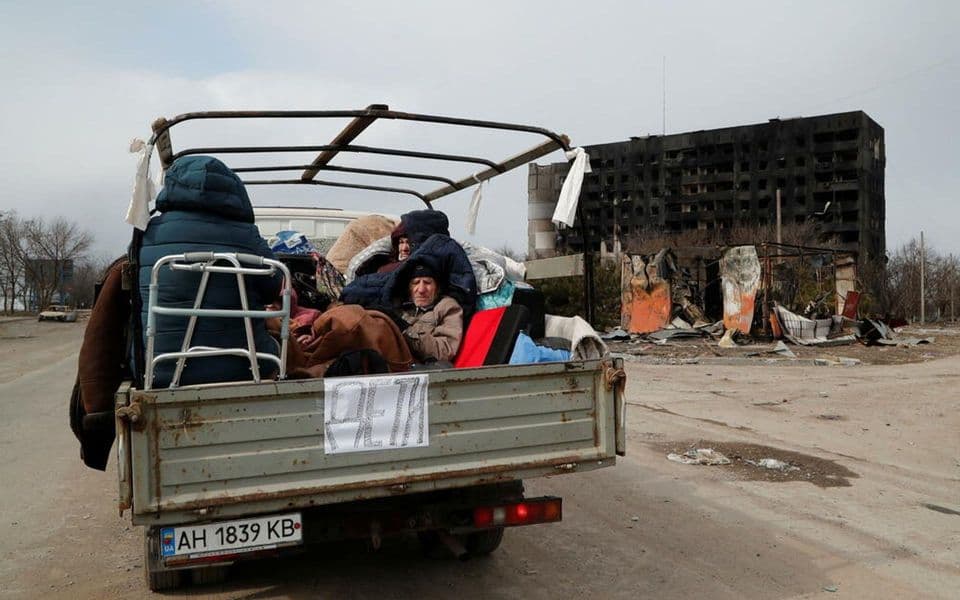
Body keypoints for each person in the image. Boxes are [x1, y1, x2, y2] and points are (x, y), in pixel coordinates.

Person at [138, 155, 282, 388]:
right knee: (279, 342)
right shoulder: (248, 236)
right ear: (233, 192)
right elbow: (275, 287)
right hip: (247, 368)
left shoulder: (146, 234)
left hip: (157, 370)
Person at [398, 263, 463, 364]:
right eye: (415, 283)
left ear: (437, 287)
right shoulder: (399, 308)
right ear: (408, 288)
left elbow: (444, 351)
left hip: (425, 371)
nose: (421, 290)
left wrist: (407, 330)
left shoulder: (448, 307)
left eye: (427, 283)